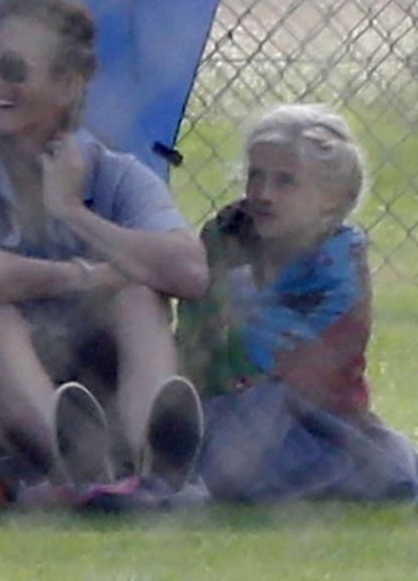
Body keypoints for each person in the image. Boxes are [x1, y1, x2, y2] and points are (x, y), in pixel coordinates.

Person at [0, 0, 208, 492]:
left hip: (99, 378)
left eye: (11, 69)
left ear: (68, 86)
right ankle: (73, 455)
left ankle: (152, 469)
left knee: (140, 298)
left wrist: (73, 213)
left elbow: (190, 270)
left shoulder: (115, 175)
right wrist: (86, 275)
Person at [176, 103, 418, 501]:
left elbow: (324, 348)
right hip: (220, 396)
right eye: (255, 176)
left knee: (382, 471)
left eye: (285, 182)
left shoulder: (339, 260)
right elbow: (197, 318)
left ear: (332, 199)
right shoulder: (227, 235)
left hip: (308, 412)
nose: (262, 194)